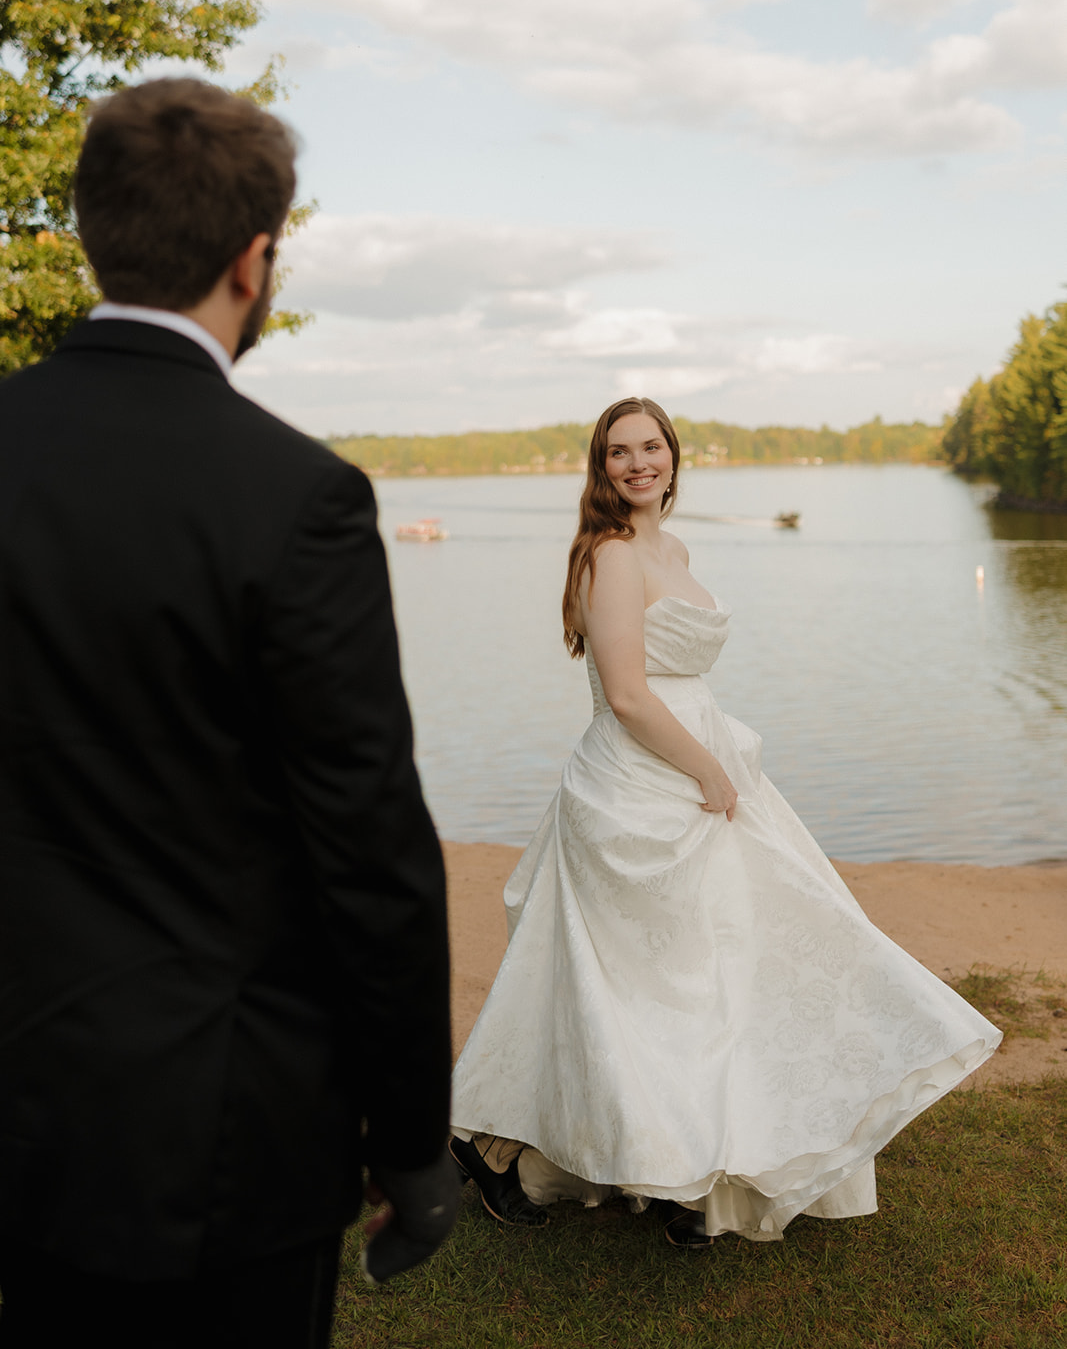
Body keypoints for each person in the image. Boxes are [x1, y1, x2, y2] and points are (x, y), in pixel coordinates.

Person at [0, 78, 457, 1347]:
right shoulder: (296, 497)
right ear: (254, 262)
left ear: (89, 228)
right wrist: (412, 1140)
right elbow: (370, 857)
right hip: (221, 1131)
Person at [449, 396, 1000, 1247]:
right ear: (601, 470)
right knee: (655, 984)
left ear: (674, 455)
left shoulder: (669, 546)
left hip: (701, 764)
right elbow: (627, 695)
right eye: (619, 452)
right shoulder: (609, 555)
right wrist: (706, 767)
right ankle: (516, 1147)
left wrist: (717, 762)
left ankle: (697, 1173)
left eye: (651, 447)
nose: (638, 463)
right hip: (643, 782)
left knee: (722, 968)